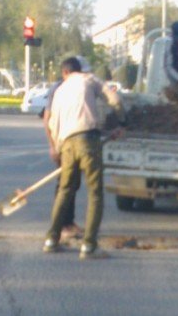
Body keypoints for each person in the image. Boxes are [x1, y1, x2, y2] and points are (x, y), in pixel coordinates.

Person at [43, 57, 126, 259]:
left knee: (65, 190)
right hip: (88, 140)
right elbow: (114, 100)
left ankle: (51, 240)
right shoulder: (89, 80)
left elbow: (52, 122)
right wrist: (123, 121)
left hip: (67, 144)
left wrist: (57, 148)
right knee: (95, 192)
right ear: (79, 70)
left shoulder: (60, 90)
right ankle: (89, 246)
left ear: (65, 73)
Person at [42, 56, 93, 241]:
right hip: (64, 142)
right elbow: (48, 119)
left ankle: (68, 222)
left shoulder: (80, 86)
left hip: (74, 141)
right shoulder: (59, 88)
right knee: (65, 185)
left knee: (72, 184)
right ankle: (61, 225)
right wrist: (53, 146)